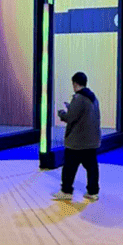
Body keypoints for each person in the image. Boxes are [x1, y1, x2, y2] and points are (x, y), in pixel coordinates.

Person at [51, 72, 100, 202]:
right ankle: (93, 192)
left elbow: (70, 117)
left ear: (75, 83)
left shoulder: (79, 98)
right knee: (92, 167)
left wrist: (62, 113)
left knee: (69, 168)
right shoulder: (93, 98)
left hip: (77, 141)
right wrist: (71, 107)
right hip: (92, 140)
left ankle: (66, 191)